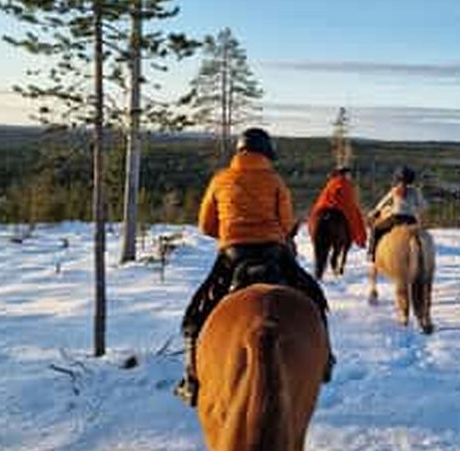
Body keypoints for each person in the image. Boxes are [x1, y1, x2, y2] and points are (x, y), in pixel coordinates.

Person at [174, 127, 334, 406]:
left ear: (240, 151)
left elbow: (206, 225)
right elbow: (285, 224)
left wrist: (229, 232)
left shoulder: (220, 179)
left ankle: (191, 378)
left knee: (196, 313)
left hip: (233, 255)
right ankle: (325, 358)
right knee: (314, 296)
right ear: (266, 153)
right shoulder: (275, 181)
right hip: (274, 253)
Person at [367, 166, 426, 264]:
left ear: (398, 178)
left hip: (395, 219)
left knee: (377, 229)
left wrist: (376, 211)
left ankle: (372, 253)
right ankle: (420, 257)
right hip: (410, 219)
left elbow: (383, 203)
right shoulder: (415, 191)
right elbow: (423, 206)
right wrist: (415, 209)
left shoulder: (395, 190)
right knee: (418, 238)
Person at [308, 165, 368, 249]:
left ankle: (312, 233)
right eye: (347, 174)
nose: (348, 176)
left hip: (325, 207)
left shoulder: (330, 184)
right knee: (354, 216)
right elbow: (349, 203)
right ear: (344, 174)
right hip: (341, 209)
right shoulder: (346, 184)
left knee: (314, 215)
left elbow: (322, 199)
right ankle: (360, 239)